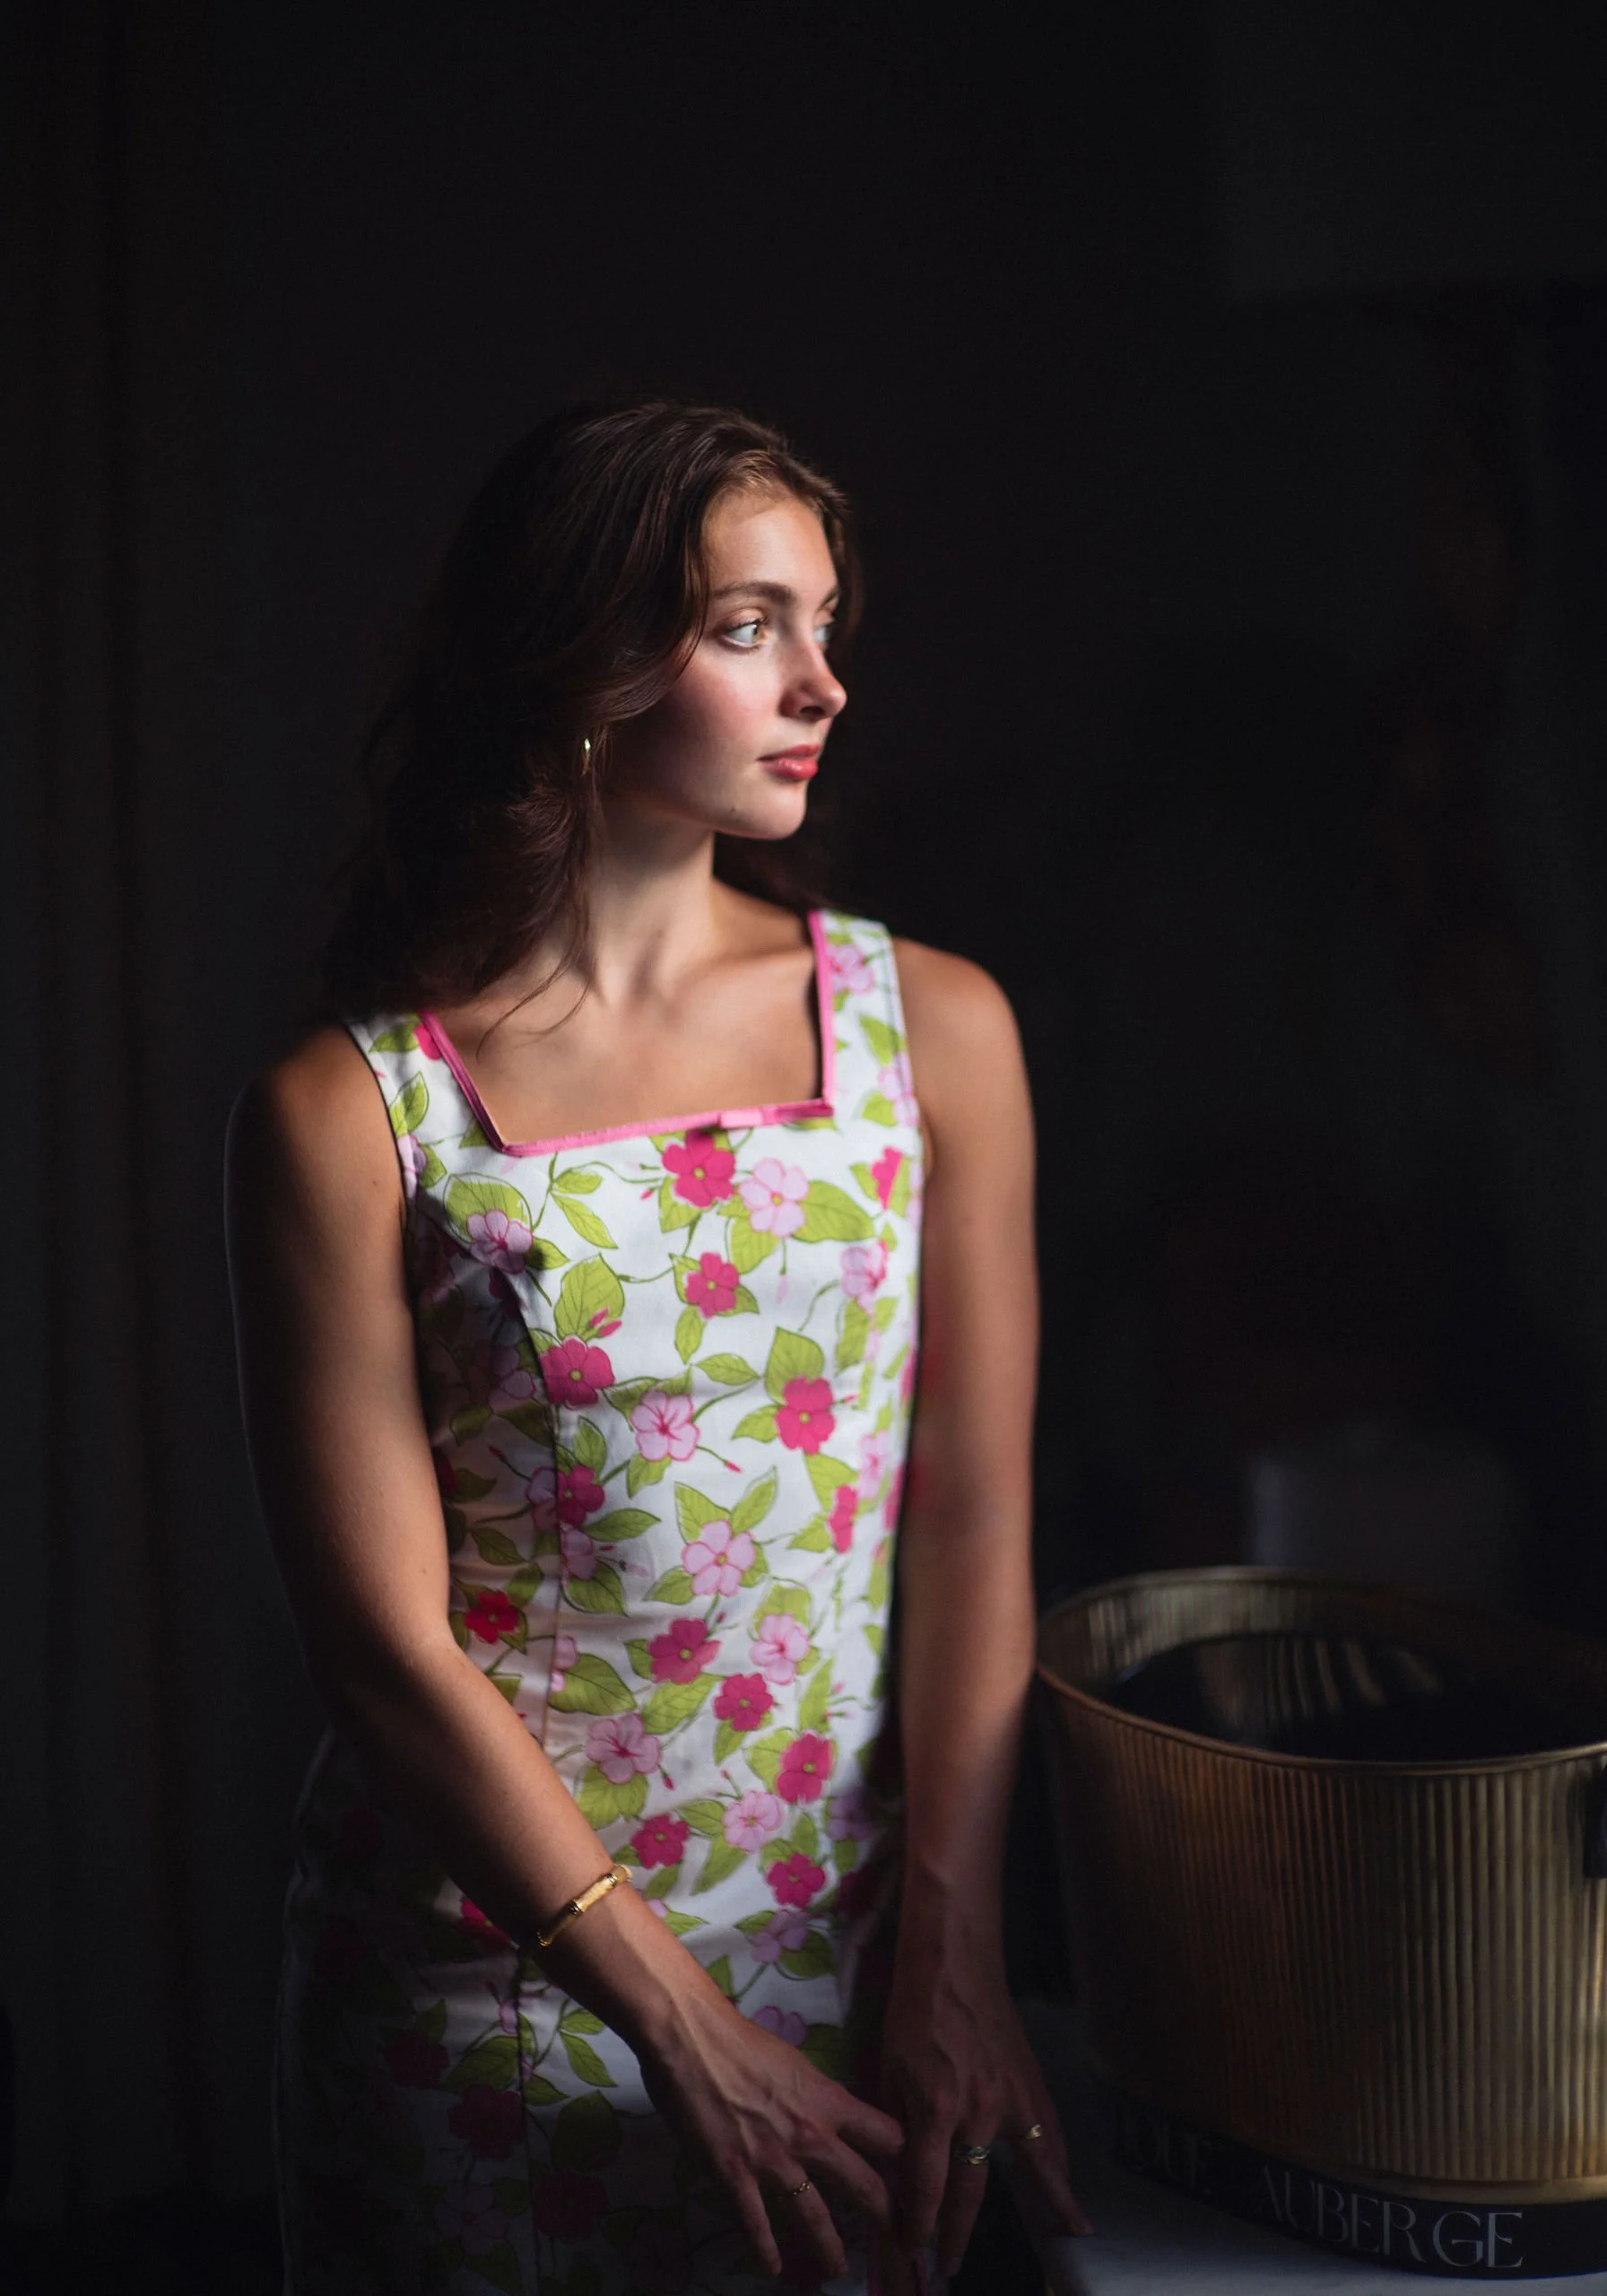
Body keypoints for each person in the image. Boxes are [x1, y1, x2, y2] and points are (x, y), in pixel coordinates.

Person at [224, 400, 1090, 2293]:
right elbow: (380, 1648)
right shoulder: (348, 1110)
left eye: (827, 619)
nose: (826, 682)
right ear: (586, 665)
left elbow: (970, 1528)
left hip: (853, 1985)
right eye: (751, 624)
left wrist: (955, 1954)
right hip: (488, 2016)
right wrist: (676, 2028)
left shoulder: (929, 1029)